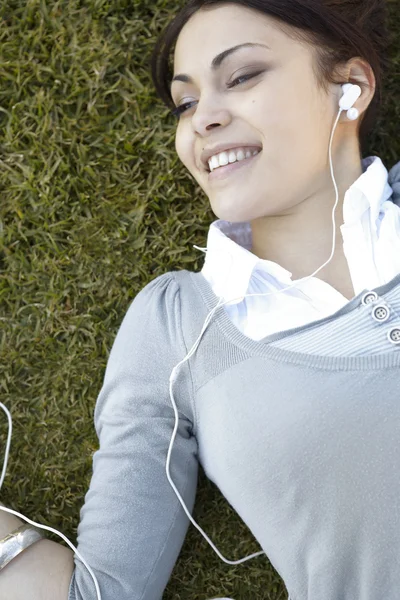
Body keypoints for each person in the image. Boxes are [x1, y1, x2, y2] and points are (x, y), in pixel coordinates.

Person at [1, 1, 400, 599]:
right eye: (186, 103)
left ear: (350, 87)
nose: (203, 118)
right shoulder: (181, 329)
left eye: (241, 77)